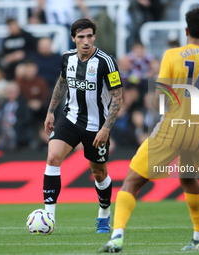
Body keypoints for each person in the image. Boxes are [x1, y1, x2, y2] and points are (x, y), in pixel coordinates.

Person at [99, 8, 199, 252]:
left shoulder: (173, 55)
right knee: (189, 179)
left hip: (172, 129)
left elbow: (158, 99)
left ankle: (117, 236)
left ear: (186, 31)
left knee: (131, 182)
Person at [43, 19, 123, 233]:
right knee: (53, 157)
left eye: (89, 36)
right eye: (81, 37)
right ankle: (48, 217)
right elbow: (62, 82)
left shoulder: (107, 61)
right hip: (69, 119)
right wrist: (51, 111)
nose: (85, 41)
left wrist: (106, 128)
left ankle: (104, 214)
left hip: (96, 126)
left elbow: (117, 96)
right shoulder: (67, 58)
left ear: (94, 36)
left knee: (99, 174)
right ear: (73, 39)